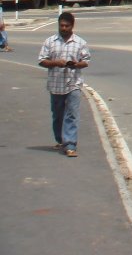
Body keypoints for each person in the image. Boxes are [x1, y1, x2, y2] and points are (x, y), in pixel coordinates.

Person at [38, 11, 91, 157]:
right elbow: (42, 60)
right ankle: (61, 140)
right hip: (55, 84)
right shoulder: (50, 42)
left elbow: (86, 61)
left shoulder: (80, 43)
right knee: (58, 114)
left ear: (72, 26)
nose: (64, 28)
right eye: (61, 25)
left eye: (67, 26)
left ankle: (70, 145)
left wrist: (76, 65)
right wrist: (56, 63)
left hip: (73, 84)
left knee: (72, 114)